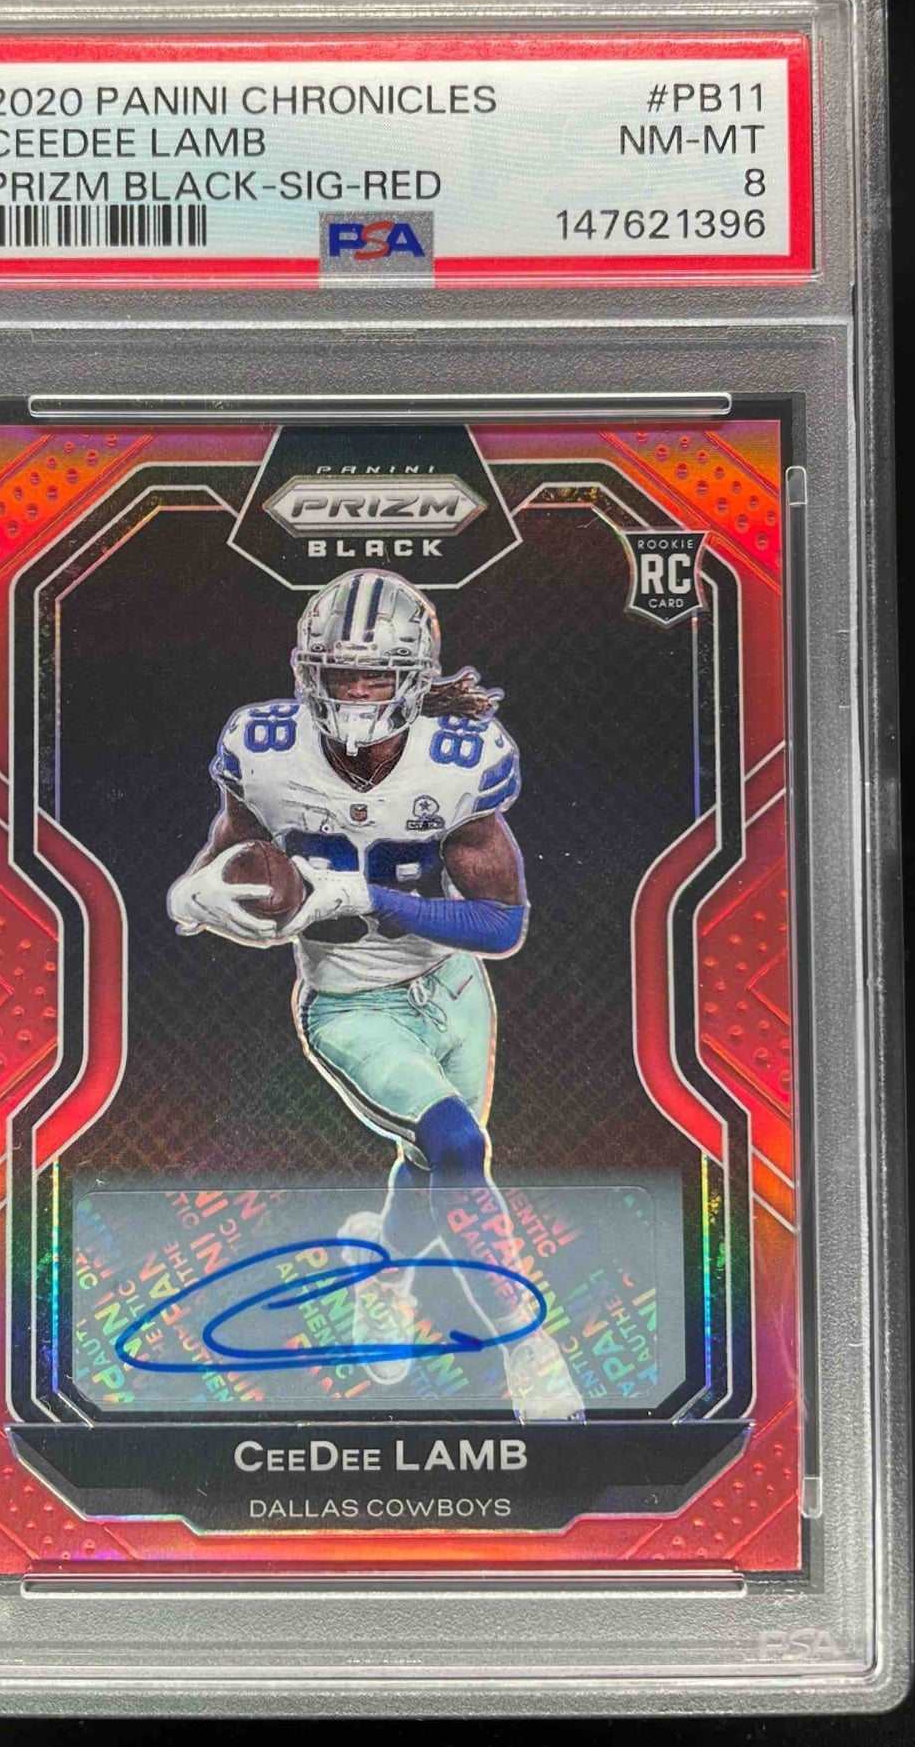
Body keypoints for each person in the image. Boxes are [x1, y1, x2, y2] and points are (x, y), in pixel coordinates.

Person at [168, 568, 582, 1420]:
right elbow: (236, 845)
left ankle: (382, 1267)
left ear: (415, 679)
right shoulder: (263, 748)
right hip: (350, 1004)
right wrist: (192, 894)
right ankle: (524, 1344)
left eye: (376, 677)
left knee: (432, 1163)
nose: (356, 694)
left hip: (454, 987)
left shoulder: (459, 761)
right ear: (306, 672)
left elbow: (502, 926)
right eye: (340, 674)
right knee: (459, 1147)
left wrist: (365, 896)